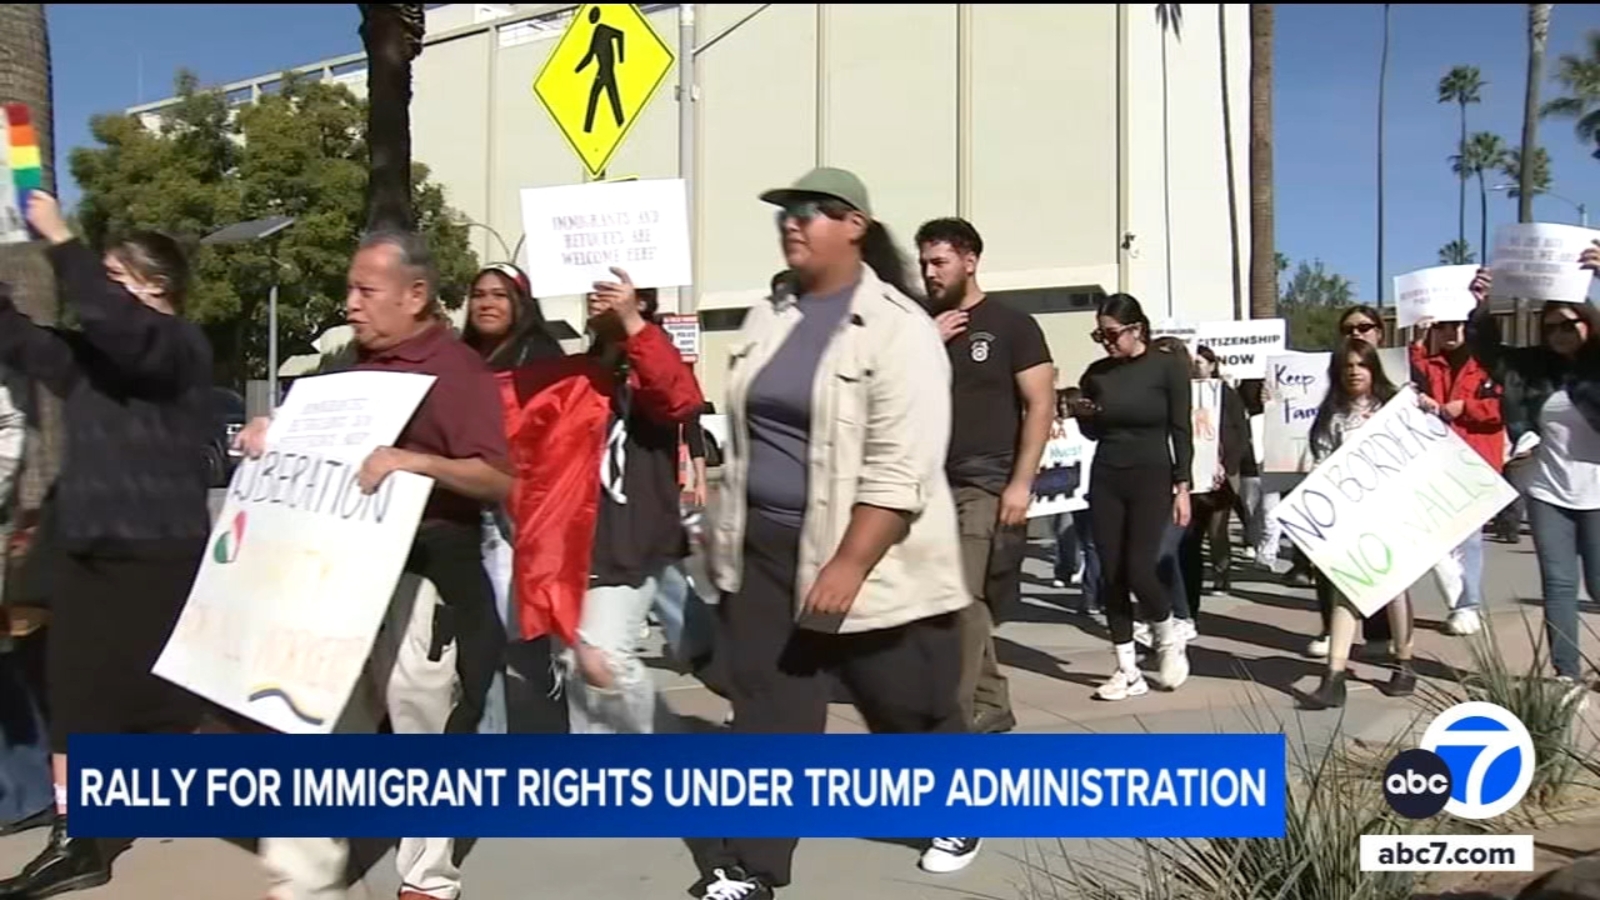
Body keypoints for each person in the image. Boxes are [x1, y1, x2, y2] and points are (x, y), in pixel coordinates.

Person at [691, 167, 976, 899]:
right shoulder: (770, 314)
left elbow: (900, 465)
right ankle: (755, 868)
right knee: (768, 710)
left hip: (867, 556)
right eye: (785, 212)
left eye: (811, 211)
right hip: (764, 550)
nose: (793, 222)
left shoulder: (896, 326)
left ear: (854, 224)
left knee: (904, 706)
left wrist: (849, 563)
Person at [242, 231, 514, 900]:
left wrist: (415, 462)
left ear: (415, 295)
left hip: (424, 576)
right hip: (334, 574)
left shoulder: (456, 373)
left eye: (366, 290)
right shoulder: (345, 366)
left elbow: (498, 479)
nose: (351, 304)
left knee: (420, 729)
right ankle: (303, 884)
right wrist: (267, 435)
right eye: (350, 289)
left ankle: (426, 880)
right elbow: (308, 436)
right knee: (309, 722)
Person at [0, 192, 214, 898]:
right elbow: (26, 341)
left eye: (116, 276)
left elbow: (121, 331)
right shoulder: (95, 360)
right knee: (76, 702)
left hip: (158, 558)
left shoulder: (178, 347)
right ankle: (77, 839)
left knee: (172, 706)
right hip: (89, 555)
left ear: (158, 289)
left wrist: (62, 240)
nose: (102, 290)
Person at [497, 271, 704, 735]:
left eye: (613, 290)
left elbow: (679, 400)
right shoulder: (575, 373)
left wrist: (631, 322)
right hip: (573, 544)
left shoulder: (653, 361)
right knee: (579, 662)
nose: (598, 297)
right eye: (595, 289)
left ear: (642, 302)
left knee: (601, 658)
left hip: (630, 541)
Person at [917, 216, 1054, 736]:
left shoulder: (1011, 325)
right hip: (930, 483)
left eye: (940, 262)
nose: (930, 273)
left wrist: (1021, 483)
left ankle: (947, 720)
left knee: (959, 595)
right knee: (950, 595)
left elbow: (1039, 405)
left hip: (985, 481)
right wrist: (925, 341)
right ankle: (992, 700)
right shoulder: (918, 325)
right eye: (925, 263)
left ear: (970, 261)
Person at [1467, 249, 1600, 685]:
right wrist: (1483, 307)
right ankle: (1566, 671)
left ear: (1588, 321)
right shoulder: (1533, 367)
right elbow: (1487, 350)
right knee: (1559, 585)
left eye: (1569, 324)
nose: (1560, 333)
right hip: (1548, 491)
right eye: (1551, 327)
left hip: (1598, 492)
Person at [462, 262, 570, 735]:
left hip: (526, 520)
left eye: (500, 295)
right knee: (481, 648)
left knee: (532, 652)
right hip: (470, 518)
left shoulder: (542, 354)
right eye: (479, 294)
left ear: (521, 303)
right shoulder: (458, 359)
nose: (486, 303)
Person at [1071, 293, 1192, 702]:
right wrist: (1084, 414)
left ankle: (1167, 637)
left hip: (1151, 475)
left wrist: (1183, 486)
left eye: (1111, 334)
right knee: (1111, 573)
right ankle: (1127, 669)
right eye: (1098, 335)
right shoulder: (1097, 374)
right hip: (1107, 475)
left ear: (1136, 329)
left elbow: (1181, 430)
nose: (1105, 342)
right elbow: (1093, 431)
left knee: (1140, 569)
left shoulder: (1167, 367)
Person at [1300, 338, 1419, 709]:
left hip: (1391, 510)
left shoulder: (1394, 407)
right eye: (1347, 365)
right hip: (1349, 515)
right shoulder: (1331, 417)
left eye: (1361, 365)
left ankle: (1404, 661)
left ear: (1373, 369)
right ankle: (1334, 676)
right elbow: (1319, 457)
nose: (1354, 371)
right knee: (1346, 592)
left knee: (1395, 591)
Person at [1410, 298, 1504, 638]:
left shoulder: (1488, 364)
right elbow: (1410, 375)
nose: (1450, 331)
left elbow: (1501, 408)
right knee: (1434, 539)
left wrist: (1464, 407)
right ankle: (1461, 600)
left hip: (1477, 461)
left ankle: (1467, 605)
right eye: (1443, 326)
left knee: (1470, 540)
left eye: (1457, 325)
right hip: (1436, 459)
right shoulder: (1430, 363)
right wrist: (1418, 341)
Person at [1179, 344, 1252, 622]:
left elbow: (1240, 431)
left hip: (1223, 470)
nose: (1198, 366)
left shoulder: (1226, 394)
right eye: (1194, 362)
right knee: (1192, 530)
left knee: (1218, 526)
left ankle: (1222, 574)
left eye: (1202, 362)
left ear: (1212, 365)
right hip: (1195, 470)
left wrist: (1228, 463)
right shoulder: (1184, 392)